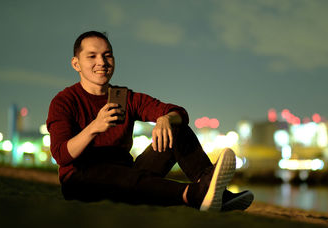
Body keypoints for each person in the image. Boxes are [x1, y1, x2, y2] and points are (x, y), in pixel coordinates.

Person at [46, 31, 253, 211]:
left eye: (107, 55)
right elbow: (62, 155)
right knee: (109, 174)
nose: (102, 62)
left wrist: (166, 119)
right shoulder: (64, 101)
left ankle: (213, 191)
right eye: (92, 56)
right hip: (83, 180)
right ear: (76, 64)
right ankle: (194, 194)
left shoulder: (124, 97)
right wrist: (94, 128)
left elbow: (178, 111)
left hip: (130, 178)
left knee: (177, 128)